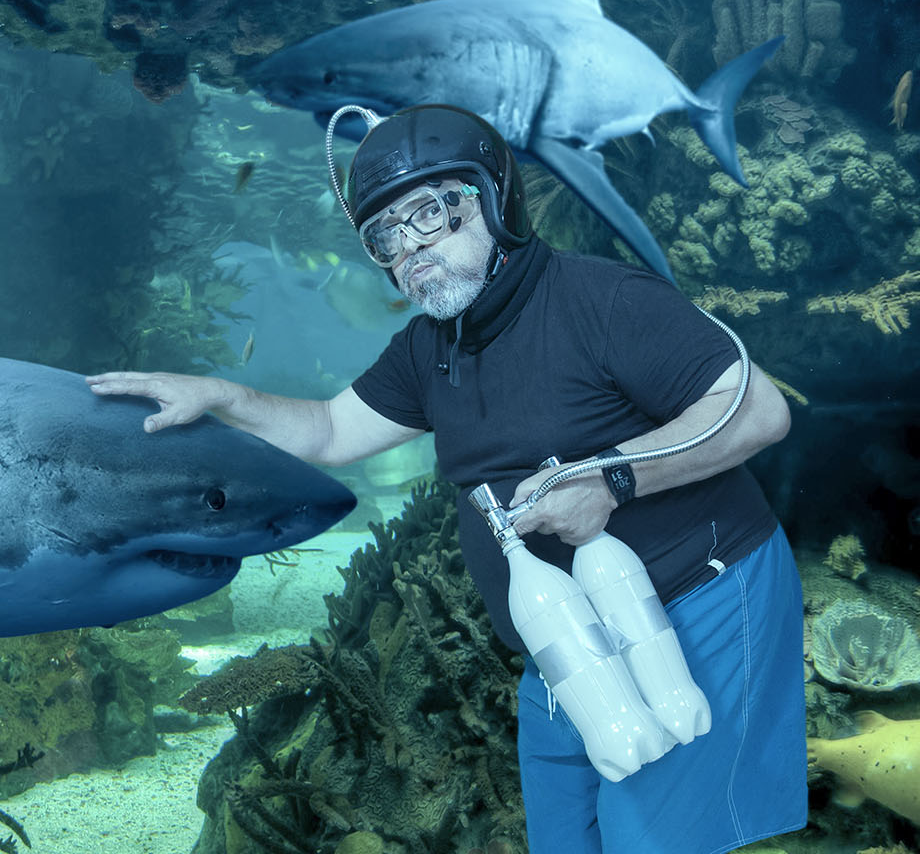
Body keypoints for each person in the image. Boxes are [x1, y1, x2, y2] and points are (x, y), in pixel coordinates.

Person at [88, 105, 806, 853]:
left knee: (650, 839)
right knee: (567, 838)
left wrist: (611, 481)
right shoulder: (429, 347)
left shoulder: (606, 300)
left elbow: (757, 410)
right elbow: (330, 430)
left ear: (495, 200)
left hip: (692, 600)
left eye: (429, 212)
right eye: (384, 235)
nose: (410, 249)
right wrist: (221, 395)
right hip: (564, 636)